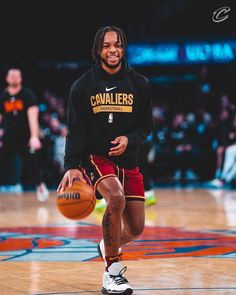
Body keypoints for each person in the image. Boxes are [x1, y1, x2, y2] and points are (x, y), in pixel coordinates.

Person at [57, 26, 154, 295]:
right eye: (107, 45)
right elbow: (75, 129)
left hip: (128, 161)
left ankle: (106, 246)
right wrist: (72, 166)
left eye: (118, 45)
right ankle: (112, 272)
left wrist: (129, 139)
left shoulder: (140, 84)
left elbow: (147, 126)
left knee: (136, 228)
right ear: (98, 50)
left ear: (123, 49)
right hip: (95, 156)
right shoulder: (83, 86)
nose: (113, 50)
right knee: (115, 196)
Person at [0, 68, 49, 201]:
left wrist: (34, 136)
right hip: (8, 136)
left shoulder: (27, 95)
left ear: (21, 78)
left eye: (17, 76)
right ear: (7, 79)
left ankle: (40, 186)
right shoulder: (3, 96)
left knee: (32, 163)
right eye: (12, 76)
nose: (14, 78)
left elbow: (33, 116)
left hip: (25, 136)